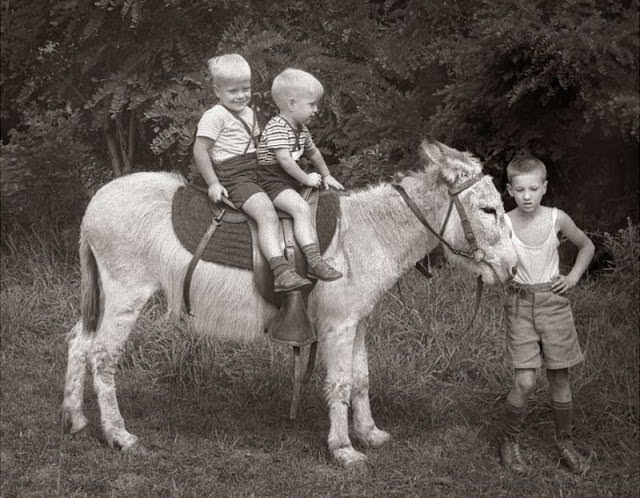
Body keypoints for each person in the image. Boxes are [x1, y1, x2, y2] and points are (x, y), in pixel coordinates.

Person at [500, 155, 595, 475]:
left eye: (533, 188)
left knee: (559, 377)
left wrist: (573, 277)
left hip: (554, 305)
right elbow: (492, 258)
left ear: (544, 188)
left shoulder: (557, 219)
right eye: (520, 189)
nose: (527, 195)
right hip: (520, 305)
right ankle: (509, 441)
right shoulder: (504, 222)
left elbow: (587, 246)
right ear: (510, 190)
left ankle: (564, 442)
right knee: (525, 380)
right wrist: (503, 274)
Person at [192, 54, 311, 293]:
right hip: (234, 176)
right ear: (217, 91)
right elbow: (200, 150)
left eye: (245, 89)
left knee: (297, 196)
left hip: (256, 170)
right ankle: (280, 271)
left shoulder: (250, 112)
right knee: (266, 212)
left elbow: (257, 145)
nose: (241, 96)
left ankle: (312, 256)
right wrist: (213, 183)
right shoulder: (214, 117)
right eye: (233, 91)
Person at [257, 68, 344, 281]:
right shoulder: (277, 127)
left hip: (286, 179)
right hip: (271, 182)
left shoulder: (301, 129)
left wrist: (327, 174)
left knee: (320, 202)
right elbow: (285, 160)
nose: (316, 110)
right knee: (301, 209)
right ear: (292, 104)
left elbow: (313, 153)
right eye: (312, 104)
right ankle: (314, 262)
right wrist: (305, 179)